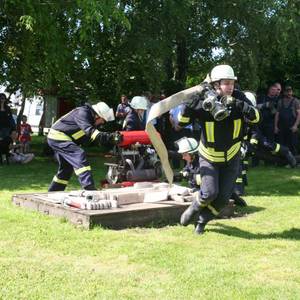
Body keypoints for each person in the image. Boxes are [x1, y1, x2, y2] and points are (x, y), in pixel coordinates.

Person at [177, 64, 260, 235]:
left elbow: (256, 118)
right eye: (226, 83)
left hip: (232, 156)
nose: (230, 87)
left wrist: (241, 106)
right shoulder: (205, 103)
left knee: (223, 198)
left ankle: (201, 222)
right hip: (209, 156)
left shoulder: (239, 97)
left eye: (232, 83)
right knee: (209, 193)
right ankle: (193, 209)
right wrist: (188, 106)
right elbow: (181, 122)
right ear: (215, 84)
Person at [47, 101, 119, 191]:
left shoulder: (89, 117)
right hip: (58, 136)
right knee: (79, 154)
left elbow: (90, 137)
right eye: (103, 120)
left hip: (59, 137)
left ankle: (54, 192)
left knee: (66, 168)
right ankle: (88, 187)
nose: (102, 123)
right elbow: (91, 132)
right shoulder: (83, 113)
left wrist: (108, 138)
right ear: (97, 115)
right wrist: (111, 137)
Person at [275, 86, 300, 155]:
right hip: (281, 127)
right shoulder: (280, 101)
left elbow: (299, 114)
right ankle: (283, 161)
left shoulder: (296, 101)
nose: (289, 93)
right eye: (287, 91)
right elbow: (277, 115)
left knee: (292, 144)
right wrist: (276, 126)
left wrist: (295, 126)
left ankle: (294, 161)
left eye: (290, 91)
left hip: (292, 127)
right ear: (284, 92)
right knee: (282, 144)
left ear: (292, 92)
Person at [0, 93, 16, 163]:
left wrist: (13, 128)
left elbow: (10, 118)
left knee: (5, 143)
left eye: (3, 98)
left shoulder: (7, 108)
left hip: (6, 128)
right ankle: (2, 157)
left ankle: (5, 157)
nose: (2, 99)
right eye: (1, 98)